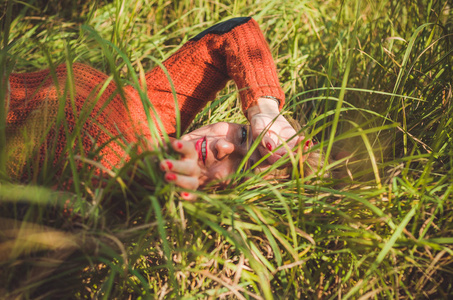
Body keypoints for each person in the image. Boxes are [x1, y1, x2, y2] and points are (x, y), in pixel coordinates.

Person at [5, 17, 313, 197]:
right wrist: (264, 110)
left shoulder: (129, 199)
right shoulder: (161, 111)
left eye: (241, 168)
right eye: (243, 137)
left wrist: (155, 176)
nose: (223, 147)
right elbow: (234, 32)